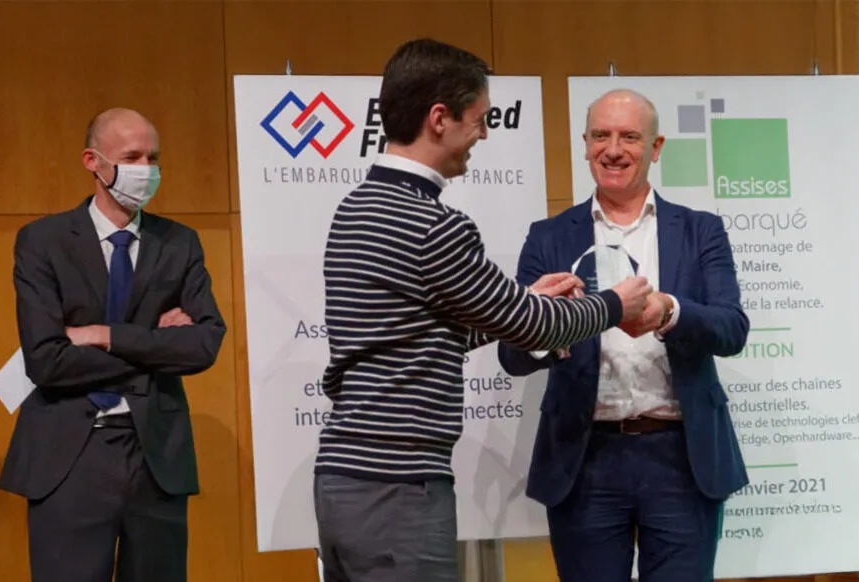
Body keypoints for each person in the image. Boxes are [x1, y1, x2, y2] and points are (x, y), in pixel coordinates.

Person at [311, 39, 653, 582]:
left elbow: (417, 331)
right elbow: (534, 326)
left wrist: (522, 302)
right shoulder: (433, 223)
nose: (485, 134)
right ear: (439, 118)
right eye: (480, 119)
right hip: (399, 486)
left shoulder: (355, 207)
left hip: (342, 481)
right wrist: (615, 303)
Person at [498, 88, 750, 582]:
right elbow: (513, 354)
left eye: (629, 137)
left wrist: (668, 312)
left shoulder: (701, 231)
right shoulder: (548, 237)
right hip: (585, 457)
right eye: (601, 136)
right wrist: (548, 323)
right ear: (585, 144)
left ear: (655, 148)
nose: (613, 149)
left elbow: (731, 328)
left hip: (681, 456)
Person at [0, 107, 227, 582]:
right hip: (68, 460)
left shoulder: (179, 243)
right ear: (93, 161)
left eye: (153, 157)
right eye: (132, 156)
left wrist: (106, 336)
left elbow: (204, 345)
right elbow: (46, 360)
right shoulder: (43, 241)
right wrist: (156, 347)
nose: (146, 169)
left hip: (156, 460)